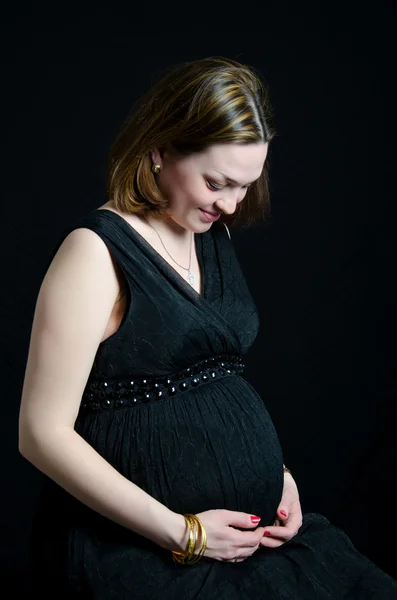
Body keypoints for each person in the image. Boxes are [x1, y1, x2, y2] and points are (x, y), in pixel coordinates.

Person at [18, 56, 397, 599]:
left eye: (246, 185)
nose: (231, 203)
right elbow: (41, 433)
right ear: (159, 148)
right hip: (143, 553)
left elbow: (209, 386)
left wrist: (277, 479)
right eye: (217, 182)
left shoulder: (206, 234)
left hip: (249, 543)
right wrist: (186, 533)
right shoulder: (94, 253)